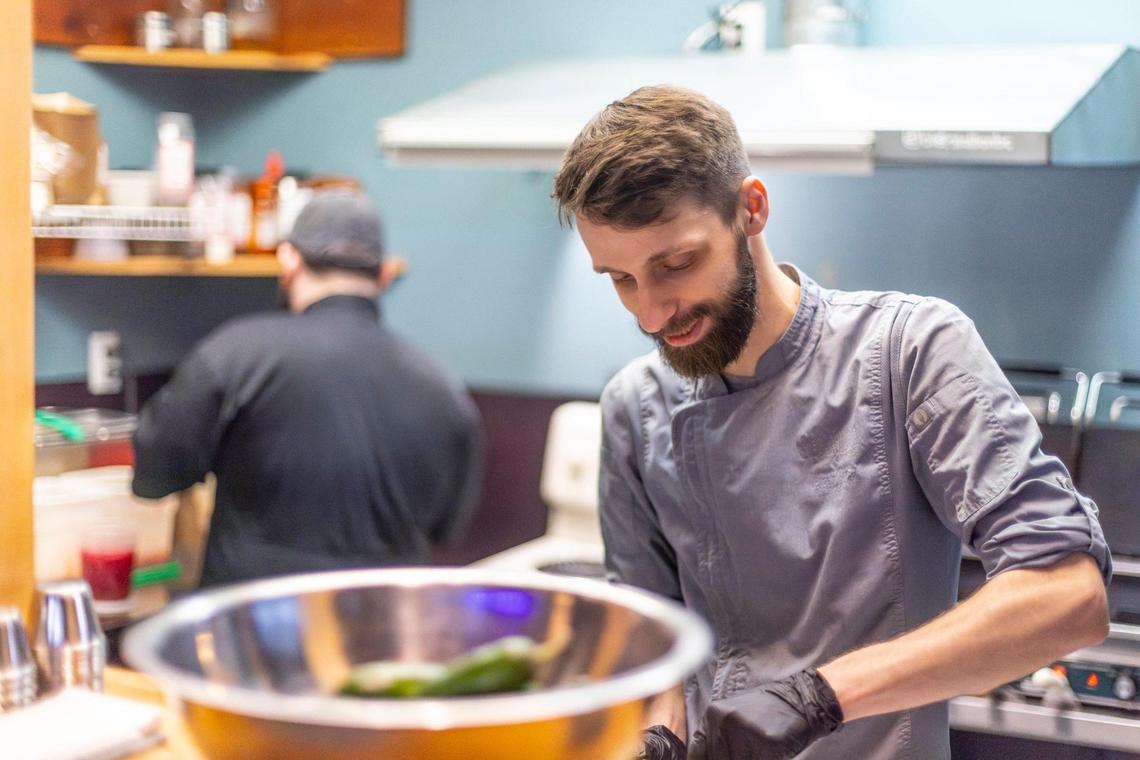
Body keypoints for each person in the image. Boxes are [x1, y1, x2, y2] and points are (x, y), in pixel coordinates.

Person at [552, 86, 1111, 760]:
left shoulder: (908, 350)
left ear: (751, 208)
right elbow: (653, 641)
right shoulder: (633, 408)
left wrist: (818, 697)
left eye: (675, 264)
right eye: (620, 279)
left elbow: (1068, 595)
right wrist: (654, 733)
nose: (650, 314)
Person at [132, 190, 483, 587]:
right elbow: (445, 525)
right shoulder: (442, 387)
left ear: (289, 261)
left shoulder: (235, 353)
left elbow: (153, 475)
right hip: (380, 632)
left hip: (253, 627)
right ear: (383, 274)